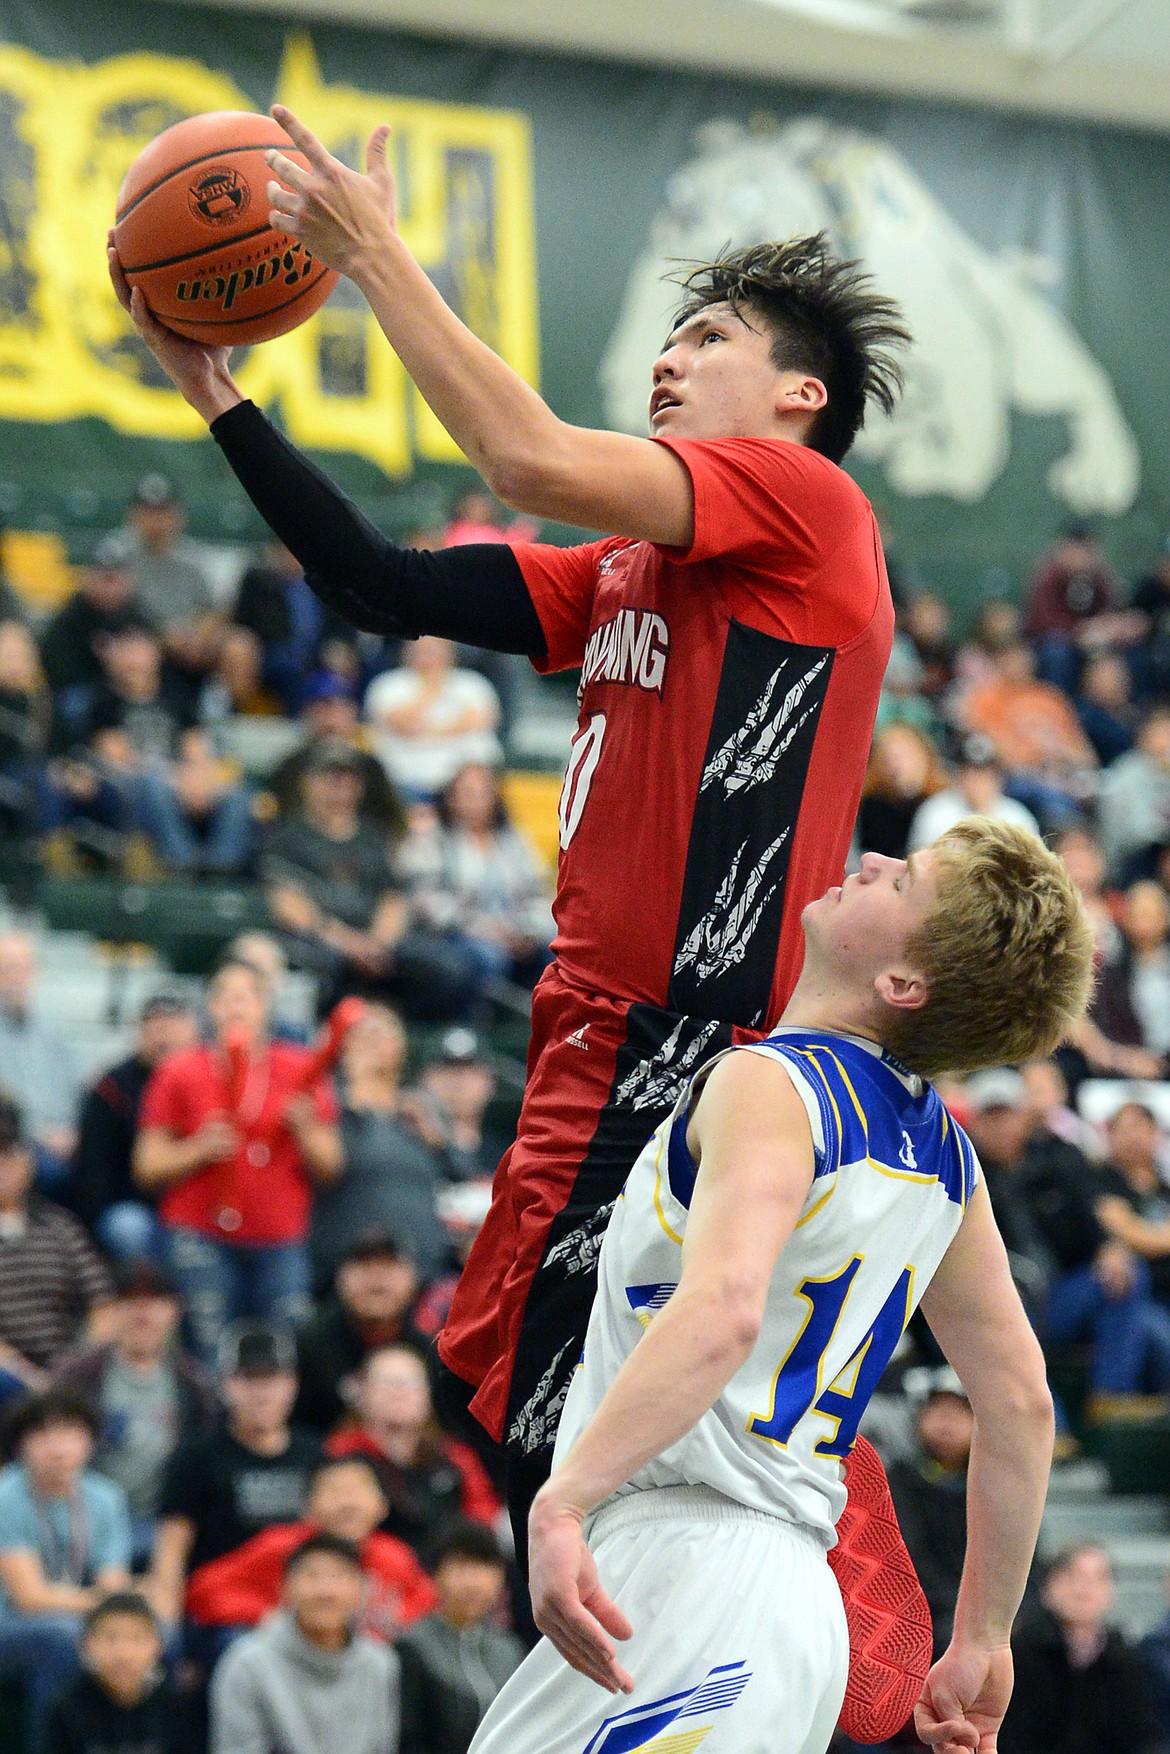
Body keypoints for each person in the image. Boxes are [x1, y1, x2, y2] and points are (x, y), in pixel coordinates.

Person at [110, 176, 909, 1552]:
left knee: (557, 1451)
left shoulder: (805, 506)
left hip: (686, 1028)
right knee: (551, 1435)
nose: (670, 356)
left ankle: (807, 1631)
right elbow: (380, 586)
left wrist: (371, 258)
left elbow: (525, 457)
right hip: (597, 1026)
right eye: (672, 336)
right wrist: (217, 397)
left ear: (798, 397)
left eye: (709, 336)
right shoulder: (627, 568)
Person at [462, 820, 1092, 1754]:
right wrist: (983, 1637)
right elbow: (1021, 1405)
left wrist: (564, 1500)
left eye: (903, 880)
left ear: (903, 985)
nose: (872, 862)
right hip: (800, 1612)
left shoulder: (768, 1084)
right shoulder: (951, 1160)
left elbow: (722, 1313)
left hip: (688, 1571)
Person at [134, 955, 341, 1366]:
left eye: (247, 996)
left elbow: (332, 1166)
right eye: (225, 996)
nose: (236, 1006)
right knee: (211, 1348)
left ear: (266, 1005)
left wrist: (305, 1129)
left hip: (280, 1235)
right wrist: (196, 1149)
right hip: (201, 1231)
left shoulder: (298, 1066)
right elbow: (146, 1165)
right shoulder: (180, 1069)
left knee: (286, 1348)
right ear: (210, 1007)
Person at [261, 737, 479, 1022]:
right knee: (322, 969)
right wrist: (347, 943)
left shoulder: (374, 837)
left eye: (346, 778)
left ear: (359, 786)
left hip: (376, 939)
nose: (338, 786)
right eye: (329, 777)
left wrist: (379, 942)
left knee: (452, 967)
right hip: (322, 941)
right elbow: (287, 904)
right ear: (310, 782)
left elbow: (394, 897)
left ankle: (409, 1035)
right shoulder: (287, 836)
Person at [150, 1322, 320, 1630]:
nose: (260, 1393)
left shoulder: (315, 1454)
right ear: (225, 1386)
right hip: (223, 1609)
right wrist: (166, 1624)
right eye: (247, 1380)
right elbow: (172, 1548)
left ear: (292, 1385)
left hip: (300, 1606)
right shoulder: (197, 1455)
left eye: (271, 1379)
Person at [53, 1260, 220, 1566]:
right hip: (83, 1516)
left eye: (155, 1303)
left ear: (175, 1312)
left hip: (168, 1521)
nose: (143, 1315)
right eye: (130, 1303)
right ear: (111, 1312)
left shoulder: (195, 1383)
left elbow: (206, 1459)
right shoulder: (76, 1376)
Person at [0, 1390, 132, 1754]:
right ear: (21, 1445)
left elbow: (113, 1585)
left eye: (70, 1433)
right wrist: (102, 1603)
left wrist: (121, 1614)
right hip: (9, 1623)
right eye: (42, 1435)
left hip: (75, 1615)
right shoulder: (6, 1496)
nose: (57, 1448)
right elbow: (29, 1598)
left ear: (90, 1441)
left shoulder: (105, 1497)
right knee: (63, 1637)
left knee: (156, 1637)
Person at [185, 1452, 436, 1642]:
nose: (347, 1502)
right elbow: (203, 1589)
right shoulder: (280, 1546)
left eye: (358, 1489)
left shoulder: (394, 1555)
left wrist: (399, 1622)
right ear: (309, 1507)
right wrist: (264, 1615)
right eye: (334, 1490)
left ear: (382, 1506)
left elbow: (429, 1601)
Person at [209, 1532, 401, 1754]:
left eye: (339, 1576)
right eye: (311, 1576)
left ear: (362, 1590)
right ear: (285, 1588)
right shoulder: (247, 1664)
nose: (326, 1591)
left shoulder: (380, 1663)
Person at [310, 1003, 450, 1286]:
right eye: (362, 1033)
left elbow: (460, 1171)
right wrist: (356, 1089)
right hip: (349, 1262)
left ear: (402, 1045)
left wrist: (437, 1139)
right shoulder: (326, 1102)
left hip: (425, 1263)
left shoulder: (421, 1106)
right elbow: (333, 1169)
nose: (372, 1040)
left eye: (383, 1032)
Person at [326, 1346, 501, 1559]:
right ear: (362, 1393)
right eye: (386, 1382)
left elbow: (484, 1515)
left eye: (411, 1383)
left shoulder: (455, 1456)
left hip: (446, 1568)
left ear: (428, 1395)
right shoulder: (341, 1453)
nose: (399, 1392)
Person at [396, 761, 554, 986]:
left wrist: (528, 929)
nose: (476, 802)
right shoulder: (431, 837)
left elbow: (538, 892)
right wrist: (480, 928)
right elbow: (423, 898)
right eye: (468, 794)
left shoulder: (512, 839)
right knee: (489, 957)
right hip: (454, 934)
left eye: (483, 793)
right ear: (450, 798)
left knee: (554, 952)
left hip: (514, 932)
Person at [68, 992, 199, 1263]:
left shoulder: (211, 1079)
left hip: (196, 1207)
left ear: (193, 1032)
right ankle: (141, 1289)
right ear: (139, 1033)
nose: (163, 1038)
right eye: (154, 1028)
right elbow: (92, 1168)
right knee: (128, 1227)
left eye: (172, 1027)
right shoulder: (112, 1088)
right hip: (133, 1202)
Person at [0, 1096, 116, 1392]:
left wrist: (77, 1364)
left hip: (66, 1364)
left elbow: (102, 1304)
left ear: (28, 1163)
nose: (4, 1170)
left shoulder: (59, 1226)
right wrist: (29, 1378)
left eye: (10, 1157)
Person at [999, 1544, 1159, 1754]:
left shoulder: (1126, 1661)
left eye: (1097, 1578)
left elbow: (1143, 1737)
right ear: (1048, 1586)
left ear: (1111, 1590)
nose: (1083, 1588)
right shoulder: (1019, 1655)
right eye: (1072, 1576)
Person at [397, 1521, 525, 1754]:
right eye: (460, 1566)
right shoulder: (413, 1646)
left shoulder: (508, 1648)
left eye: (485, 1566)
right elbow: (408, 1738)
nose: (474, 1582)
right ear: (434, 1574)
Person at [294, 1230, 427, 1435]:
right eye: (364, 1266)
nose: (377, 1279)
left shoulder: (431, 1351)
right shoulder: (308, 1346)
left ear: (412, 1278)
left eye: (389, 1266)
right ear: (340, 1277)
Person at [887, 1372, 975, 1660]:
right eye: (939, 1411)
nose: (947, 1423)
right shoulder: (900, 1480)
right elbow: (907, 1555)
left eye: (959, 1413)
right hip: (919, 1610)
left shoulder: (993, 1486)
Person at [43, 1590, 189, 1754]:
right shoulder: (66, 1708)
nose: (124, 1654)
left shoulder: (174, 1706)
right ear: (84, 1645)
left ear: (159, 1646)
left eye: (137, 1639)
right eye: (111, 1638)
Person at [365, 636, 503, 800]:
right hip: (402, 783)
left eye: (435, 650)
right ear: (406, 653)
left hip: (463, 786)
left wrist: (427, 729)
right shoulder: (389, 684)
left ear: (451, 653)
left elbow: (480, 720)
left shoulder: (473, 684)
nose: (428, 656)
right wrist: (431, 690)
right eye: (422, 650)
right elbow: (400, 724)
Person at [0, 930, 84, 1171]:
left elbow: (81, 1096)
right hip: (11, 1146)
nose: (15, 977)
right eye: (6, 969)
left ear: (34, 973)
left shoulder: (58, 1034)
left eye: (22, 968)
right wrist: (38, 1135)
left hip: (65, 1145)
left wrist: (74, 1135)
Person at [906, 733, 1039, 853]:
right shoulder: (936, 811)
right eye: (970, 773)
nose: (977, 782)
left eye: (984, 773)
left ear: (998, 777)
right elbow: (917, 861)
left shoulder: (1017, 817)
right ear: (959, 776)